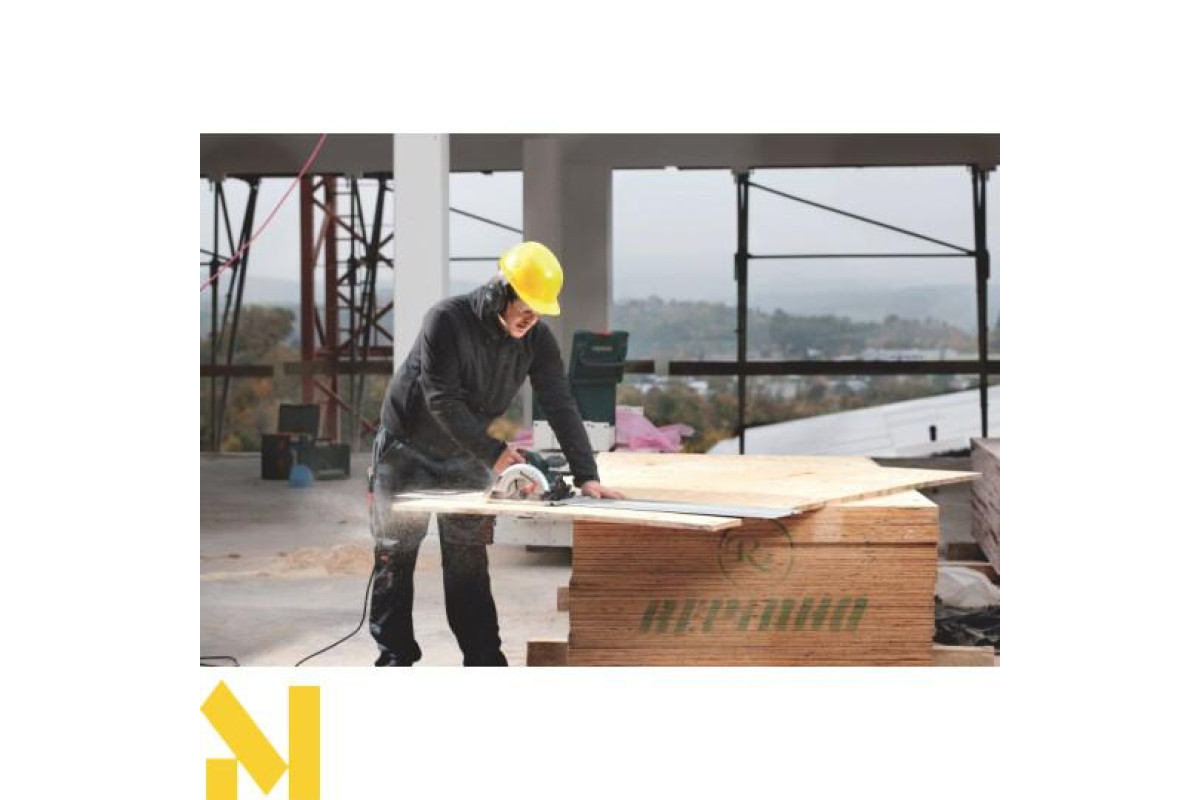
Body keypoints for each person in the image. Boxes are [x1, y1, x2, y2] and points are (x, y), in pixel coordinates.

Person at [368, 241, 625, 666]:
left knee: (467, 559)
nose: (531, 318)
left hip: (466, 453)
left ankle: (484, 662)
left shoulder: (536, 340)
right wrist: (495, 453)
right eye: (526, 307)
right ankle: (395, 662)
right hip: (406, 451)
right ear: (501, 292)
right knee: (395, 557)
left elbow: (560, 403)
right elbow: (441, 400)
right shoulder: (446, 321)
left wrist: (587, 475)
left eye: (539, 311)